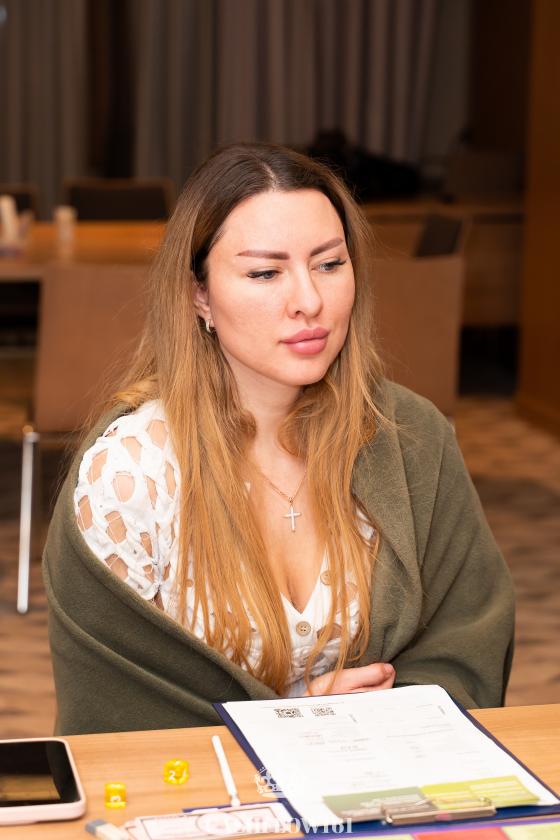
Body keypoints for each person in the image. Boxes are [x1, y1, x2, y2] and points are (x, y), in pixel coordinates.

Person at [43, 143, 514, 735]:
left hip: (378, 772)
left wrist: (385, 707)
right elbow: (117, 710)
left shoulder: (409, 436)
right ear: (198, 294)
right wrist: (301, 717)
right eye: (265, 273)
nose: (309, 302)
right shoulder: (134, 473)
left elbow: (467, 636)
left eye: (329, 264)